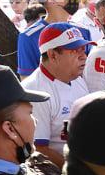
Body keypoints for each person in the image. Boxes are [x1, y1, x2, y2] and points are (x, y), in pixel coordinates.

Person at [21, 22, 92, 166]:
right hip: (59, 171)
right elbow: (39, 149)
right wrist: (78, 171)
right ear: (52, 55)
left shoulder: (77, 79)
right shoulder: (35, 92)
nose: (84, 56)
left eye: (83, 49)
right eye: (75, 51)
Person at [17, 0, 88, 77]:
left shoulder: (83, 30)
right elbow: (26, 80)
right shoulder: (28, 37)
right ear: (52, 0)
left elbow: (89, 73)